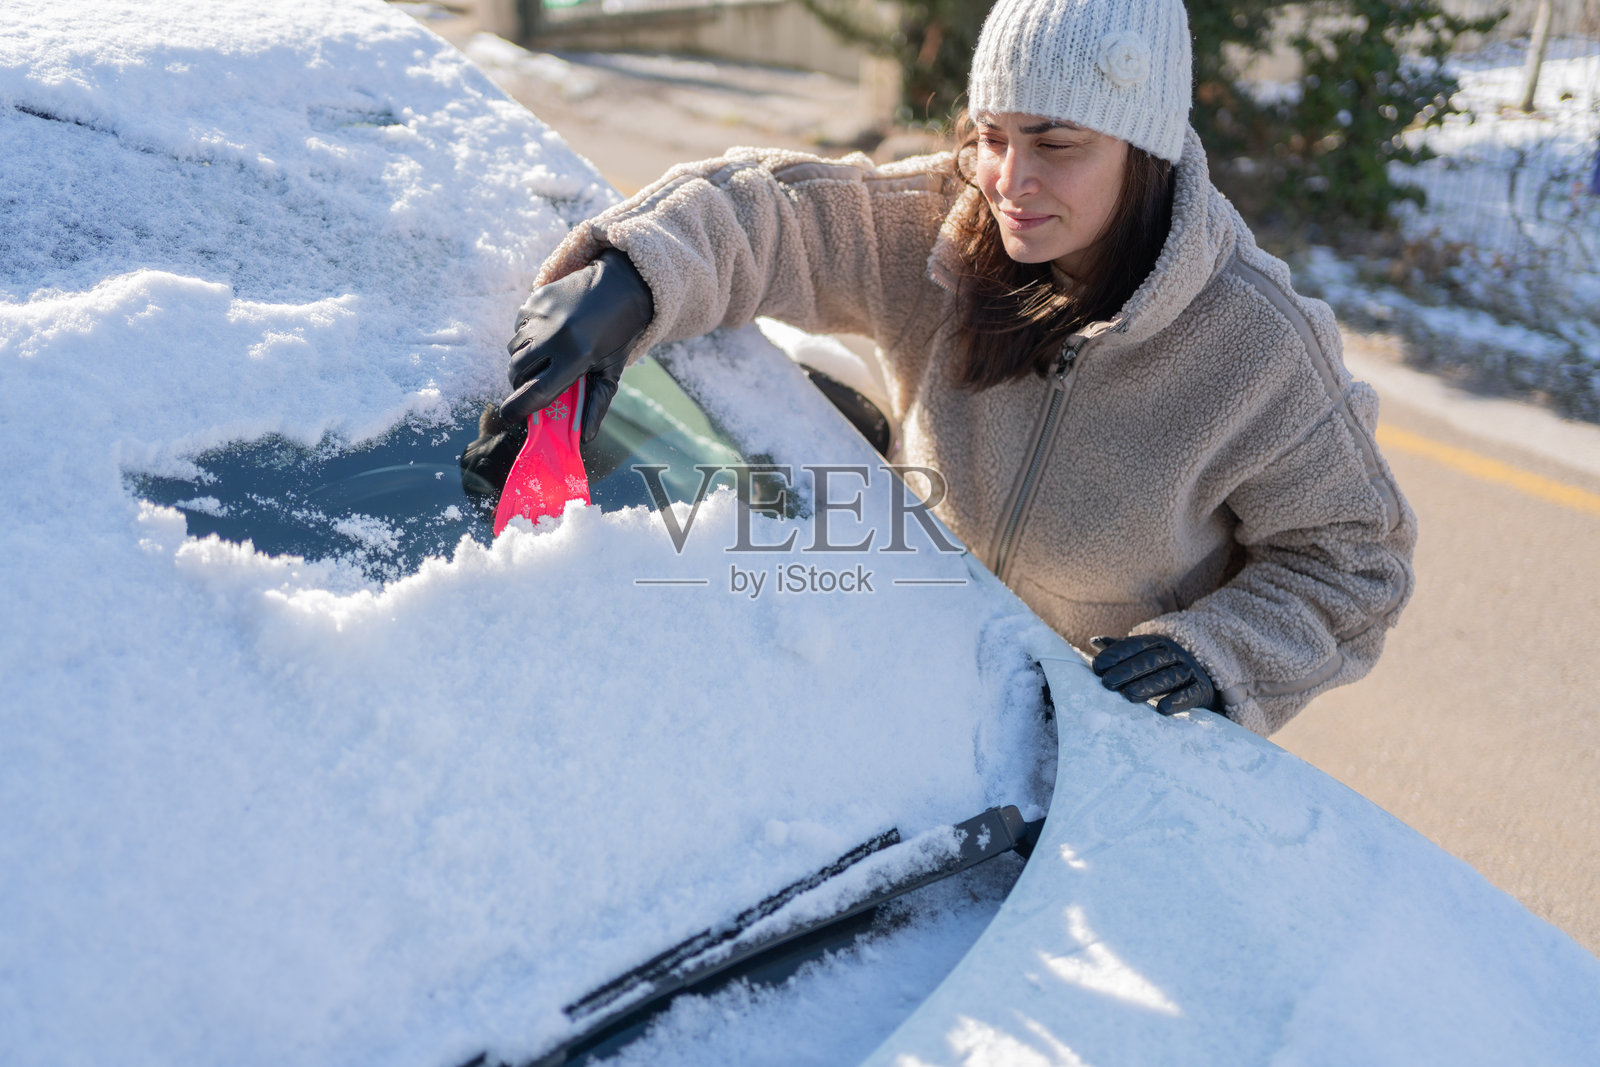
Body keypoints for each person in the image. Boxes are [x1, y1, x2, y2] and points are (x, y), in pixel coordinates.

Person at [468, 0, 1416, 737]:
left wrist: (1215, 657)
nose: (1010, 180)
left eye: (1057, 144)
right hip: (921, 701)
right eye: (992, 135)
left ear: (1148, 151)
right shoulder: (949, 233)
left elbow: (1354, 561)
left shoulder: (1255, 347)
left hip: (1106, 764)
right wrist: (632, 278)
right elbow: (774, 216)